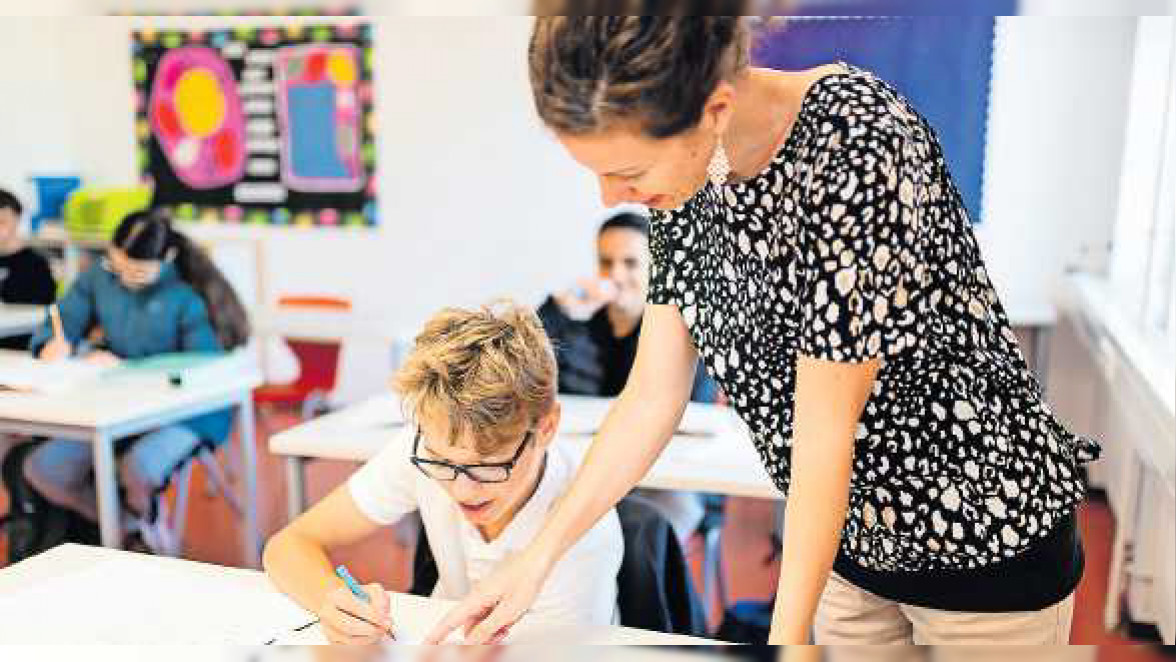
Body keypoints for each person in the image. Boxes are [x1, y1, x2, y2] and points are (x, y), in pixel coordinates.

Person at [427, 15, 1100, 646]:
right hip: (845, 544)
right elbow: (653, 397)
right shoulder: (687, 180)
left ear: (712, 110)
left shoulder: (859, 140)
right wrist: (537, 557)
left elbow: (827, 426)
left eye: (625, 172)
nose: (611, 198)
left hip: (985, 535)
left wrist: (787, 634)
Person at [263, 301, 622, 645]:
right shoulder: (427, 445)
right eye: (441, 463)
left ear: (546, 427)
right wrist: (332, 601)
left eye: (487, 466)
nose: (461, 490)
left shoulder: (586, 530)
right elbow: (287, 545)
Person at [24, 210, 249, 548]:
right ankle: (129, 527)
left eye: (139, 272)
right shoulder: (99, 277)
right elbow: (63, 320)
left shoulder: (188, 292)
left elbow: (202, 367)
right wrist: (52, 344)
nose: (126, 278)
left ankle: (141, 532)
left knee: (139, 467)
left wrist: (127, 368)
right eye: (119, 265)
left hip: (189, 413)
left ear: (167, 258)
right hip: (117, 405)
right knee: (44, 468)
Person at [539, 209, 719, 543]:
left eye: (631, 263)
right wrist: (560, 310)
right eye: (606, 263)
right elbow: (537, 375)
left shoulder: (683, 332)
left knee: (636, 533)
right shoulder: (583, 324)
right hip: (591, 471)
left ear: (656, 268)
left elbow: (691, 417)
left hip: (667, 479)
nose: (617, 275)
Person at [0, 188, 55, 351]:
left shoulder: (35, 264)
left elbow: (43, 310)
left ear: (17, 219)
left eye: (2, 221)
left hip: (21, 345)